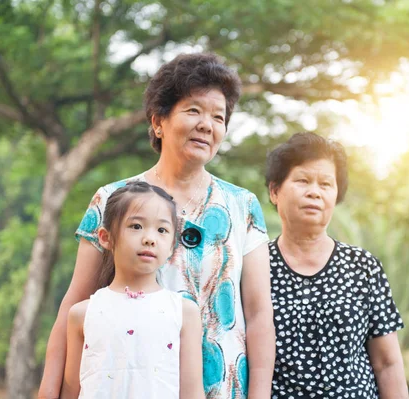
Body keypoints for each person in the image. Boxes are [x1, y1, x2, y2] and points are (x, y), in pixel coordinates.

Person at [39, 53, 275, 399]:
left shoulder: (243, 206)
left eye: (218, 117)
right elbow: (76, 303)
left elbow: (258, 314)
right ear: (159, 122)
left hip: (223, 390)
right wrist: (49, 389)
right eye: (193, 110)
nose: (206, 125)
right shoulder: (112, 199)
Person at [265, 132, 409, 399]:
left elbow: (387, 364)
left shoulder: (363, 267)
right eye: (302, 180)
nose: (314, 192)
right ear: (275, 191)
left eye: (325, 184)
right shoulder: (255, 266)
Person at [59, 181, 204, 399]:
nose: (149, 239)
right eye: (136, 226)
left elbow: (192, 394)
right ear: (106, 237)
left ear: (173, 245)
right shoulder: (82, 315)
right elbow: (71, 391)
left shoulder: (185, 313)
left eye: (162, 230)